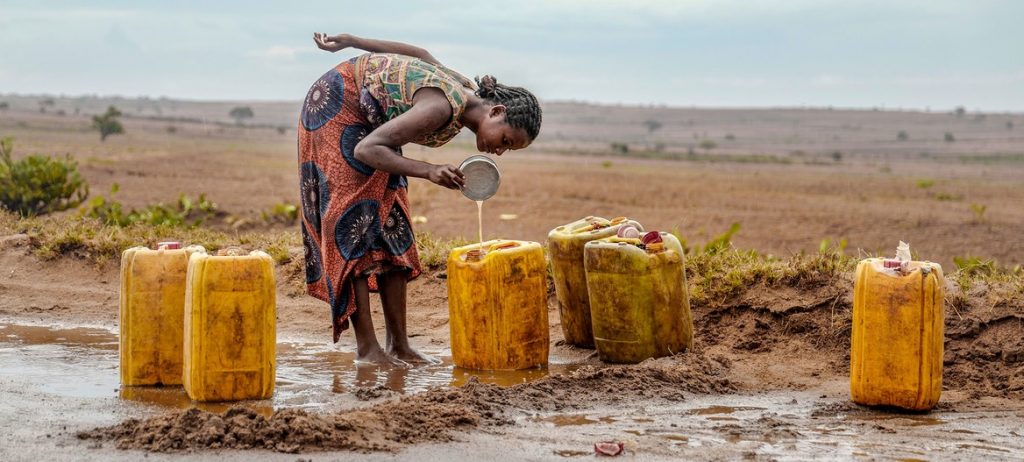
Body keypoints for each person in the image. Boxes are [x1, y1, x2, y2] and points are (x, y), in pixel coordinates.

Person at [298, 33, 542, 365]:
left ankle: (399, 344)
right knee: (352, 223)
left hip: (374, 122)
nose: (499, 150)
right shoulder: (441, 106)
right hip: (341, 106)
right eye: (505, 140)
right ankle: (368, 350)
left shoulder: (461, 90)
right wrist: (428, 171)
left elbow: (419, 54)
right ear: (496, 111)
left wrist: (352, 41)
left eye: (506, 149)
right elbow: (366, 150)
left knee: (394, 224)